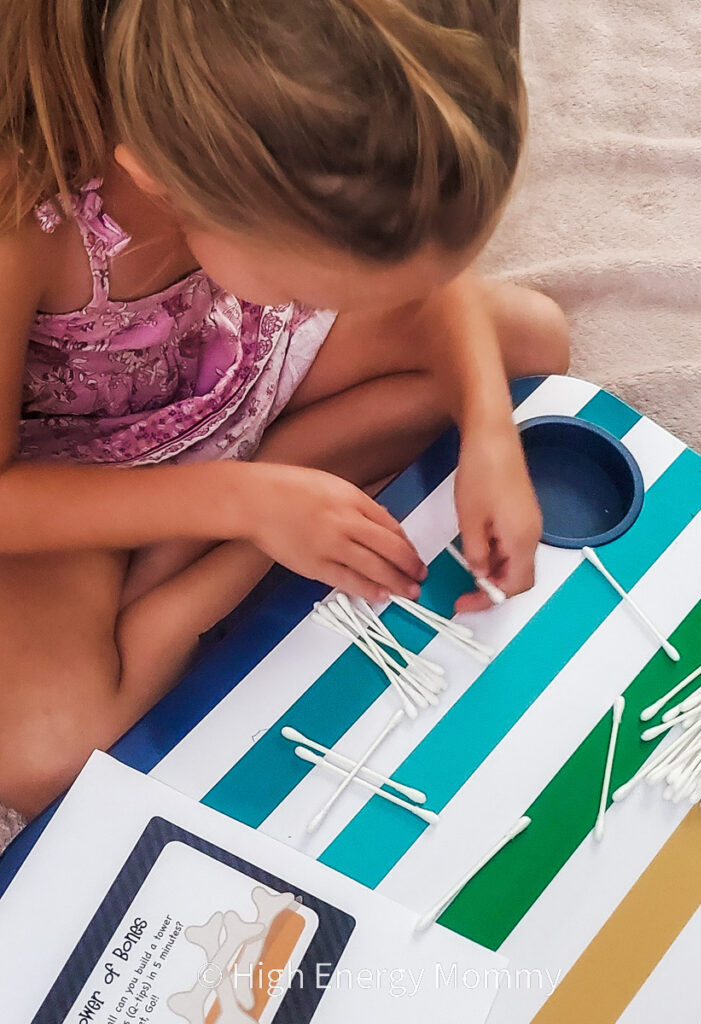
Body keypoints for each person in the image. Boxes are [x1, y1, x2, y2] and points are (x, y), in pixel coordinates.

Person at [0, 0, 568, 818]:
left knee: (531, 346)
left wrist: (486, 432)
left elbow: (417, 256)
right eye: (315, 287)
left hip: (235, 357)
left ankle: (267, 497)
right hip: (74, 461)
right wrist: (250, 509)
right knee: (39, 750)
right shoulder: (27, 216)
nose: (332, 303)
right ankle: (208, 562)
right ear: (164, 178)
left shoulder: (286, 131)